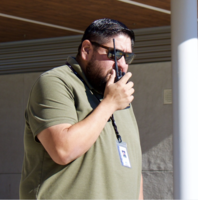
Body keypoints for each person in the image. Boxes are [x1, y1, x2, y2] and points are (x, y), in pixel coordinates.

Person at [19, 18, 143, 199]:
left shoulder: (118, 97)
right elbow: (63, 150)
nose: (122, 64)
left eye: (128, 57)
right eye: (115, 54)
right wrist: (109, 104)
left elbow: (134, 167)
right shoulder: (57, 82)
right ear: (86, 50)